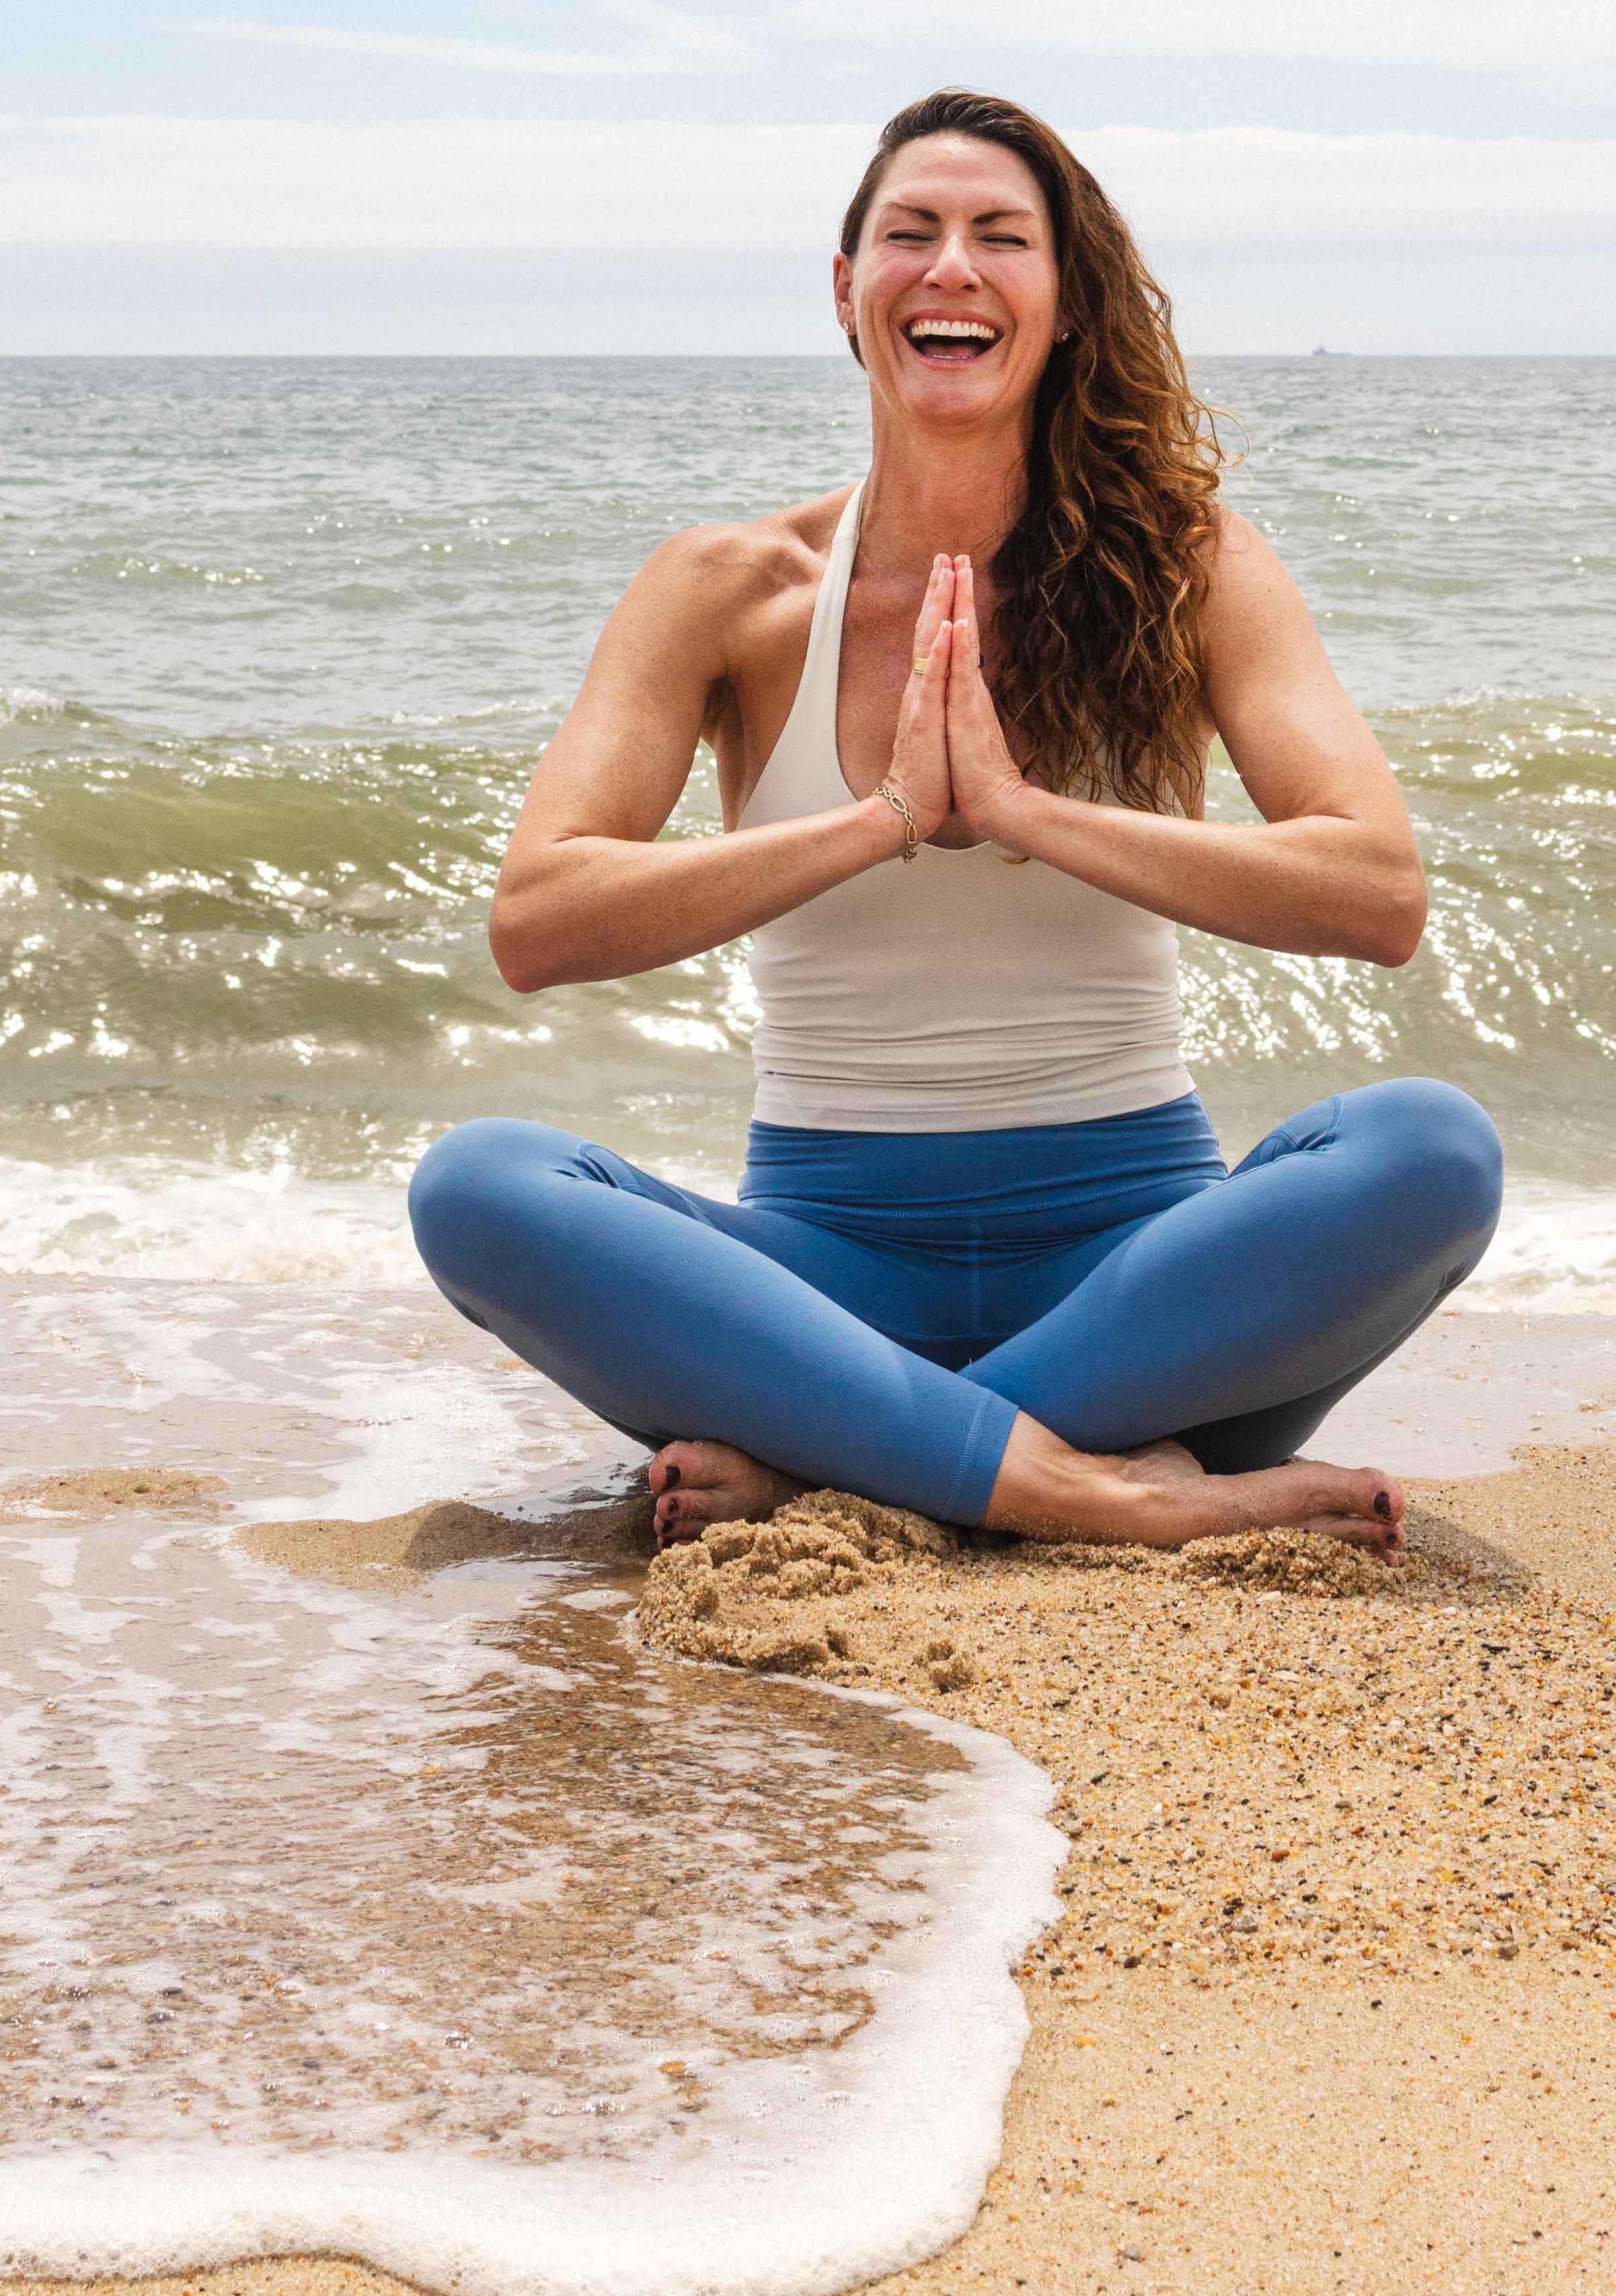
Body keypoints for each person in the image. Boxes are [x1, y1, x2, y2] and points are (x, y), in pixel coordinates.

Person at [407, 90, 1501, 1551]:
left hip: (1138, 1282)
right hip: (818, 1276)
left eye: (1001, 237)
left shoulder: (1188, 569)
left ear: (1060, 302)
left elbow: (1376, 892)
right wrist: (878, 822)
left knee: (1431, 1151)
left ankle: (855, 1459)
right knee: (477, 1185)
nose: (951, 268)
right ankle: (1083, 1483)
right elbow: (539, 920)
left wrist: (1024, 813)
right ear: (846, 293)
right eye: (908, 234)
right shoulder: (730, 588)